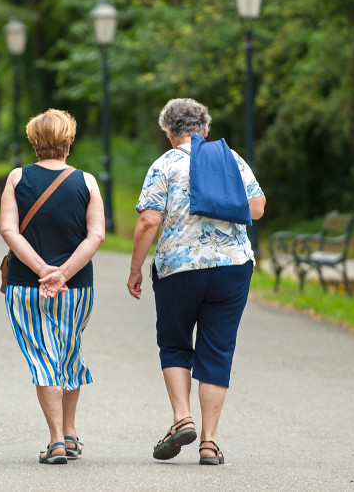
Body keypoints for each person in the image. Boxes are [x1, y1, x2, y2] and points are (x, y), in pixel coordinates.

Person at [126, 98, 266, 465]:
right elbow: (257, 207)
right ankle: (210, 442)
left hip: (179, 269)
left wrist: (135, 269)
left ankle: (181, 418)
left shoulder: (165, 164)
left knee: (174, 344)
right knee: (218, 349)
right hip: (232, 267)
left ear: (169, 133)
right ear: (205, 130)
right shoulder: (229, 159)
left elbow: (147, 222)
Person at [0, 109, 105, 465]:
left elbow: (9, 230)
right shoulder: (87, 181)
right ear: (68, 142)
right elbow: (97, 235)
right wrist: (64, 273)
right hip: (76, 289)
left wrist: (44, 270)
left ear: (33, 141)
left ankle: (57, 440)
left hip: (27, 285)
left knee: (44, 359)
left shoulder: (17, 178)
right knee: (68, 352)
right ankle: (71, 433)